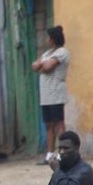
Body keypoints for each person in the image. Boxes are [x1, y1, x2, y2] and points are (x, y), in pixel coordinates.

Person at [32, 26, 70, 159]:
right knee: (49, 124)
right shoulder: (47, 54)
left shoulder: (62, 52)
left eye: (49, 38)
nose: (47, 40)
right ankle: (49, 154)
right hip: (46, 95)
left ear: (53, 39)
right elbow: (34, 66)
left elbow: (47, 68)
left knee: (59, 123)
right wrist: (42, 64)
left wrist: (41, 65)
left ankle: (63, 152)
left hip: (56, 93)